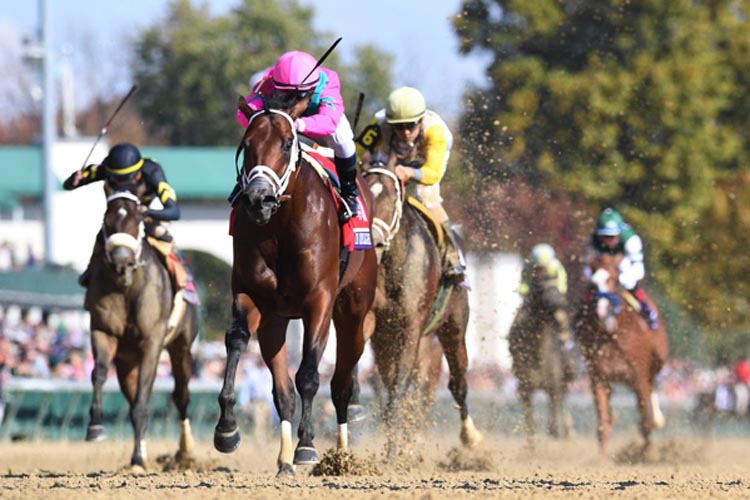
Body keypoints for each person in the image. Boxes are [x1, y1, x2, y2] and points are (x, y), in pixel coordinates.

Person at [356, 86, 466, 283]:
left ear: (421, 120)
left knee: (426, 197)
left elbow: (432, 173)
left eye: (411, 125)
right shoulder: (379, 124)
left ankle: (452, 255)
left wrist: (409, 172)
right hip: (391, 160)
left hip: (423, 166)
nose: (405, 132)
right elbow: (357, 151)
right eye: (399, 127)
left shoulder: (436, 133)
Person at [236, 50, 359, 222]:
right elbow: (242, 115)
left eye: (298, 96)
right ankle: (246, 184)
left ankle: (350, 193)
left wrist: (296, 125)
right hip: (282, 124)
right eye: (285, 95)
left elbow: (329, 121)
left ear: (311, 90)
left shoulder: (328, 83)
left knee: (343, 140)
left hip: (318, 123)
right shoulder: (268, 81)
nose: (291, 101)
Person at [63, 142, 194, 298]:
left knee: (160, 233)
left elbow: (174, 212)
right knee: (105, 232)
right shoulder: (107, 168)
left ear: (138, 173)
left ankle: (181, 278)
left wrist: (146, 212)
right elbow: (69, 184)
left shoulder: (152, 172)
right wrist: (74, 179)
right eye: (116, 180)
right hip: (123, 214)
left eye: (125, 179)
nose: (120, 184)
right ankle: (91, 271)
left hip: (150, 210)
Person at [584, 207, 658, 330]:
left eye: (612, 236)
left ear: (619, 232)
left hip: (624, 268)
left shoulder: (631, 239)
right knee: (590, 289)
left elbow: (639, 269)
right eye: (605, 236)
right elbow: (587, 265)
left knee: (630, 284)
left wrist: (620, 277)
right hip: (602, 269)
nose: (609, 240)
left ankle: (646, 310)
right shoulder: (593, 240)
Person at [518, 243, 576, 378]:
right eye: (538, 268)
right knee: (519, 320)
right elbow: (523, 285)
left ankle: (566, 346)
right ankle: (517, 344)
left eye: (542, 268)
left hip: (551, 305)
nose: (540, 271)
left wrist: (552, 290)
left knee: (561, 319)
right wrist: (527, 291)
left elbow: (562, 285)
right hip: (533, 304)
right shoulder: (528, 268)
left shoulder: (556, 267)